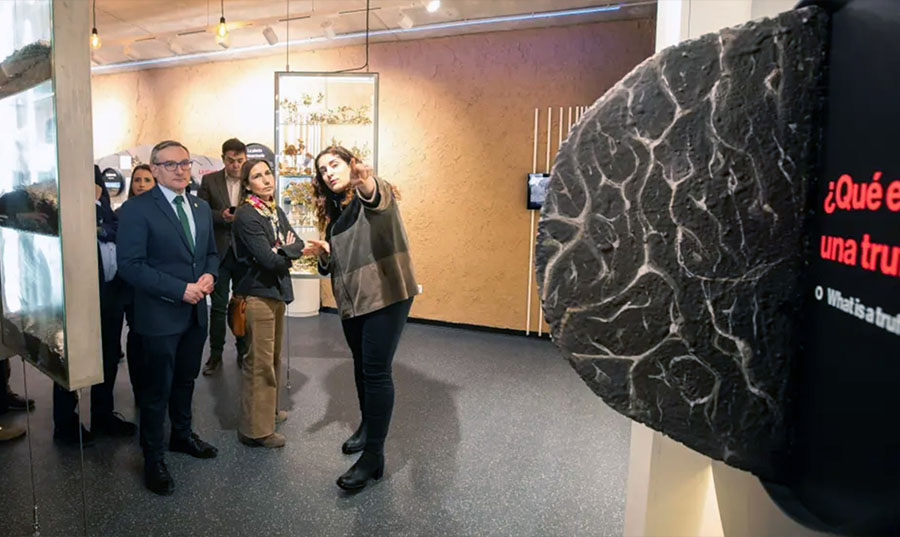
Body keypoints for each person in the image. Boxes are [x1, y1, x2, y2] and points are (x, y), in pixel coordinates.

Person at [303, 146, 419, 491]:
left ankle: (373, 457)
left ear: (351, 164)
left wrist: (366, 181)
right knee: (361, 366)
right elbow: (333, 265)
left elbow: (375, 197)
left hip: (384, 295)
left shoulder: (375, 193)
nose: (329, 173)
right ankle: (368, 427)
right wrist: (326, 254)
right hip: (353, 302)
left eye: (334, 164)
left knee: (376, 372)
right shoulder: (337, 213)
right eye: (323, 170)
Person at [117, 140, 219, 496]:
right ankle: (153, 457)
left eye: (185, 163)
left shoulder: (200, 207)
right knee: (155, 390)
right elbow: (130, 266)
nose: (180, 170)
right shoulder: (137, 209)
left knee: (185, 380)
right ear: (155, 169)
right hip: (159, 315)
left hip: (195, 314)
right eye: (171, 164)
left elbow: (210, 254)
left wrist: (210, 276)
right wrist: (179, 289)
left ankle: (182, 435)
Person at [231, 159, 304, 448]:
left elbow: (298, 243)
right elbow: (268, 259)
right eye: (257, 176)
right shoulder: (247, 215)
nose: (265, 179)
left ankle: (269, 413)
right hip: (256, 295)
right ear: (247, 185)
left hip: (274, 293)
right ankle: (255, 431)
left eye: (267, 173)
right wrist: (284, 250)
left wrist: (283, 249)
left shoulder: (273, 210)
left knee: (272, 359)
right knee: (259, 364)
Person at [198, 138, 248, 375]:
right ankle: (215, 354)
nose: (235, 165)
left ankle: (243, 351)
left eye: (240, 161)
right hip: (219, 252)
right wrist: (221, 216)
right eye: (231, 161)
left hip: (245, 253)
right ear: (223, 159)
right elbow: (200, 211)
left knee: (242, 305)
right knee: (217, 308)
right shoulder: (210, 181)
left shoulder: (252, 180)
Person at [121, 164, 155, 408]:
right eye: (137, 180)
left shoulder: (164, 212)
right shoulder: (124, 211)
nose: (141, 184)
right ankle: (140, 390)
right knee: (137, 337)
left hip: (158, 286)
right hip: (133, 287)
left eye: (147, 180)